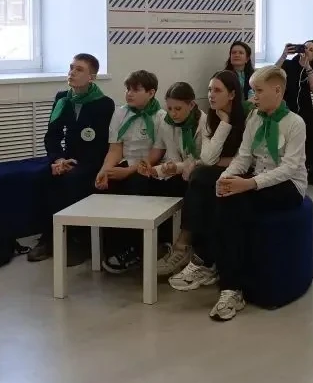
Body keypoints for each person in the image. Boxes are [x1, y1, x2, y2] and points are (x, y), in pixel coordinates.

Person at [183, 66, 306, 322]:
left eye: (258, 91)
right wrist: (226, 177)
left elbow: (289, 168)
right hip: (258, 178)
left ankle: (230, 285)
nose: (253, 96)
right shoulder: (255, 119)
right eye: (252, 91)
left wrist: (249, 184)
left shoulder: (295, 123)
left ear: (277, 90)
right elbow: (244, 157)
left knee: (233, 203)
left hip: (288, 186)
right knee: (214, 187)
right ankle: (212, 263)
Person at [27, 54, 115, 263]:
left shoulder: (104, 104)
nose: (72, 73)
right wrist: (58, 160)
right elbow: (52, 136)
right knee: (44, 176)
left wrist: (74, 164)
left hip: (92, 160)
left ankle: (76, 241)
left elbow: (102, 143)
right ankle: (48, 238)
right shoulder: (62, 99)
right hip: (66, 158)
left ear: (92, 77)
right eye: (71, 68)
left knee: (74, 179)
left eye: (79, 69)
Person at [167, 70, 249, 285]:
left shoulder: (248, 116)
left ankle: (187, 246)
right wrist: (224, 123)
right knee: (200, 179)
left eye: (217, 90)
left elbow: (246, 159)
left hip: (244, 173)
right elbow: (208, 157)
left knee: (200, 176)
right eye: (210, 89)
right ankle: (200, 257)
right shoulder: (211, 118)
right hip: (218, 171)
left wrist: (220, 161)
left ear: (232, 94)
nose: (211, 95)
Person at [95, 70, 167, 274]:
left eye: (136, 90)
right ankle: (113, 248)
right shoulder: (120, 113)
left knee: (136, 186)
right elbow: (115, 149)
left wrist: (128, 172)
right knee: (105, 187)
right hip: (125, 163)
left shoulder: (160, 117)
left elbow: (156, 154)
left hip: (147, 168)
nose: (129, 94)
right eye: (128, 89)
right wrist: (105, 170)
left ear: (151, 93)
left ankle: (136, 248)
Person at [149, 82, 203, 276]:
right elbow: (172, 155)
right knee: (145, 184)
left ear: (192, 105)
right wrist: (160, 169)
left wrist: (173, 168)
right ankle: (158, 243)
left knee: (193, 185)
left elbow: (203, 159)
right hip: (179, 170)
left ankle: (183, 247)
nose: (173, 113)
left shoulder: (203, 123)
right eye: (170, 108)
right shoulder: (167, 123)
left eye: (178, 109)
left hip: (197, 169)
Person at [277, 40, 313, 187]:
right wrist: (283, 55)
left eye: (311, 50)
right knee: (311, 120)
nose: (307, 51)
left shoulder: (312, 71)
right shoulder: (288, 65)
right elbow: (271, 74)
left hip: (305, 112)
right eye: (306, 48)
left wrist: (308, 68)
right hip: (287, 110)